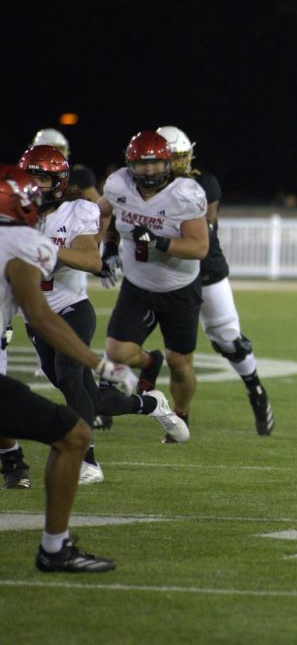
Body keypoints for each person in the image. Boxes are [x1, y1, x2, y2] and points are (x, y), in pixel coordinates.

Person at [16, 146, 189, 483]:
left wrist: (46, 248)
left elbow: (91, 261)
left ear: (60, 182)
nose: (36, 187)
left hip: (70, 309)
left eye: (43, 179)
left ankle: (88, 462)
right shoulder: (13, 213)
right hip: (35, 317)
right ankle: (150, 405)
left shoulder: (75, 211)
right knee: (90, 398)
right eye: (31, 179)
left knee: (69, 377)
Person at [0, 164, 139, 570]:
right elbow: (42, 318)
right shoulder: (23, 243)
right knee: (74, 435)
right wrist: (100, 364)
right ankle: (55, 548)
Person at [156, 125, 275, 434]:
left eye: (181, 157)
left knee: (227, 338)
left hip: (204, 269)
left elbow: (203, 227)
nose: (178, 164)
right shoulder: (139, 187)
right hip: (164, 273)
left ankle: (255, 388)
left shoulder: (202, 184)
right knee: (140, 339)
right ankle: (110, 402)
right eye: (171, 157)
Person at [97, 131, 209, 442]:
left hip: (179, 288)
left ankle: (180, 414)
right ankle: (149, 362)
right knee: (115, 350)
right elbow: (104, 212)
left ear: (168, 163)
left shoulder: (184, 194)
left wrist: (160, 241)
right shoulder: (118, 185)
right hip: (138, 286)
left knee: (181, 365)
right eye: (142, 165)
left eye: (155, 164)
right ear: (129, 164)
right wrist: (107, 247)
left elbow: (199, 247)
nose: (148, 171)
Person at [29, 128, 101, 203]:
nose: (58, 155)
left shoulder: (78, 175)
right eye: (53, 151)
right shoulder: (27, 178)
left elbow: (98, 210)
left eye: (61, 150)